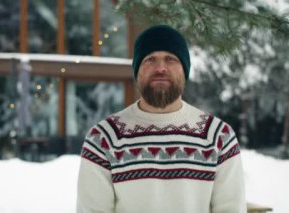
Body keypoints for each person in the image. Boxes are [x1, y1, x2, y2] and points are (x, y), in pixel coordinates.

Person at [77, 25, 246, 213]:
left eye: (170, 59)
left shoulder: (218, 137)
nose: (160, 68)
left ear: (185, 69)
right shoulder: (103, 140)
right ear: (137, 71)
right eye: (150, 59)